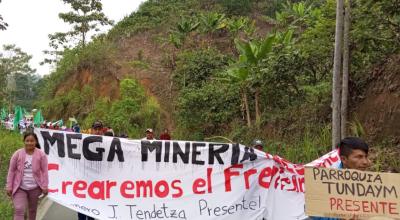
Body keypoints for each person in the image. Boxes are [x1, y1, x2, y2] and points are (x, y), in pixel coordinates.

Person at [310, 137, 370, 220]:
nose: (366, 162)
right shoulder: (325, 181)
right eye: (359, 157)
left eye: (366, 156)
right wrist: (340, 218)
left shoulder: (372, 182)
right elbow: (314, 212)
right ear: (344, 159)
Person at [6, 132, 49, 220]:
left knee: (32, 210)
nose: (29, 143)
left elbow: (45, 171)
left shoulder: (41, 155)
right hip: (20, 187)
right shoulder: (17, 154)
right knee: (19, 209)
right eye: (27, 141)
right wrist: (9, 186)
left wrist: (45, 186)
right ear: (24, 141)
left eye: (32, 141)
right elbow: (11, 171)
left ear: (36, 142)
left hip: (35, 188)